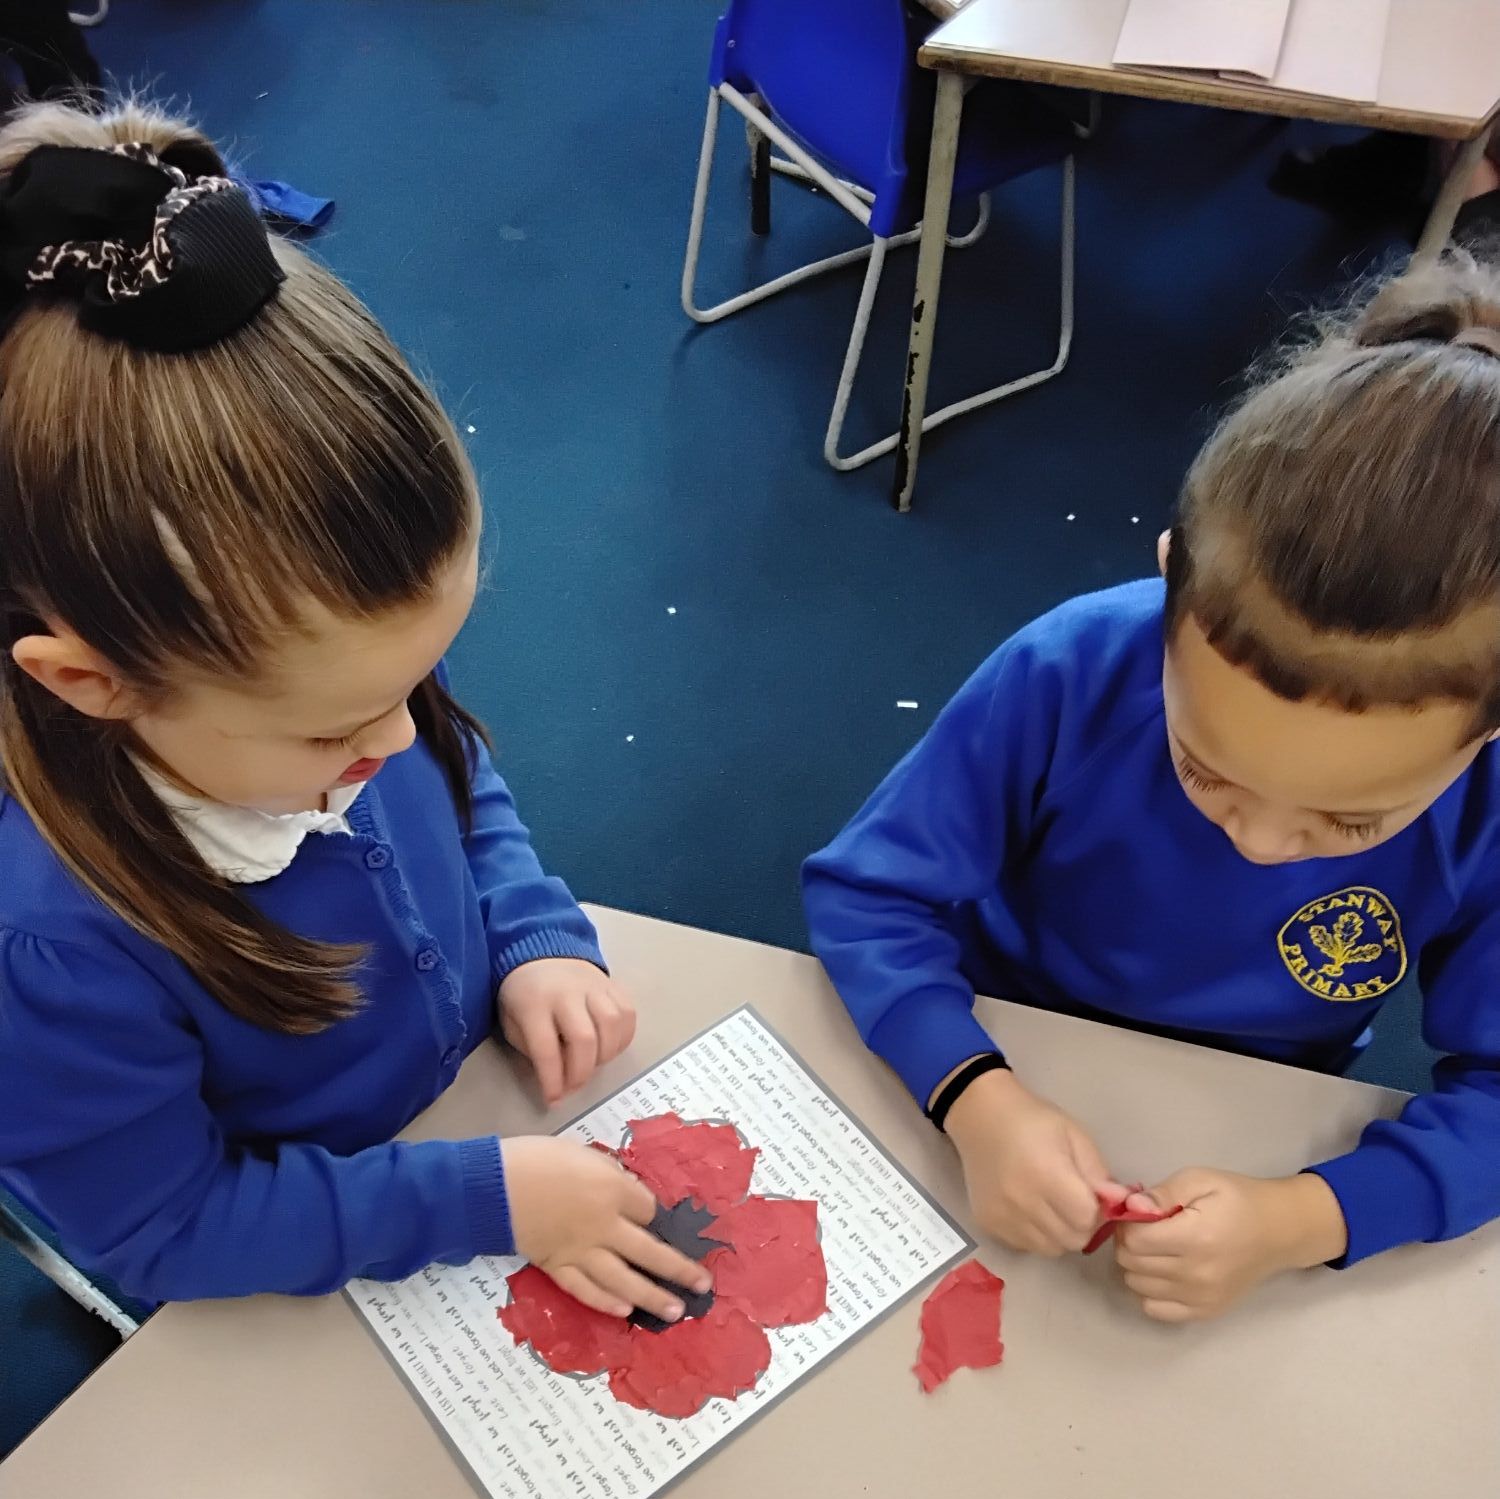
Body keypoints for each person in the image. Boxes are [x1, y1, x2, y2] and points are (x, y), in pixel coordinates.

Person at [0, 99, 711, 1324]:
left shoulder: (323, 693)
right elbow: (169, 1225)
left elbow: (456, 769)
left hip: (470, 1108)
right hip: (312, 1267)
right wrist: (485, 1200)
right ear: (88, 681)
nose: (394, 744)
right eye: (335, 732)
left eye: (411, 686)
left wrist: (530, 930)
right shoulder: (49, 949)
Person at [803, 255, 1500, 1323]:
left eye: (1353, 821)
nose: (1263, 843)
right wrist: (972, 1094)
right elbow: (869, 895)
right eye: (1205, 769)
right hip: (1002, 1027)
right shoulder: (1071, 668)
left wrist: (1302, 1218)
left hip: (1267, 1109)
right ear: (1173, 582)